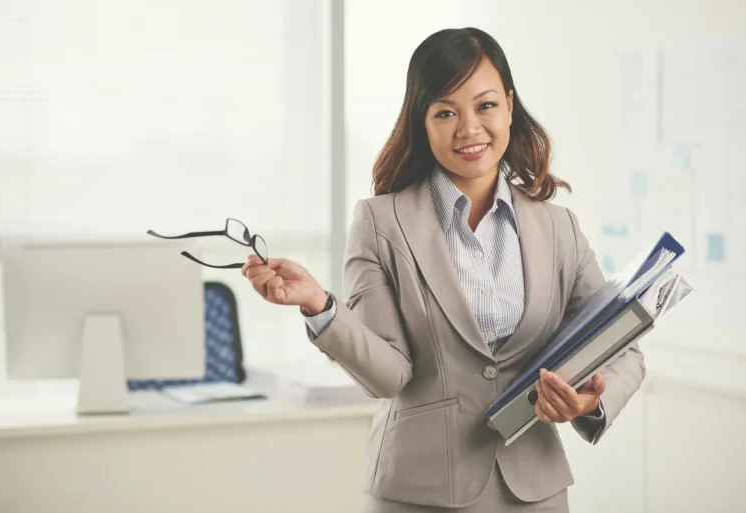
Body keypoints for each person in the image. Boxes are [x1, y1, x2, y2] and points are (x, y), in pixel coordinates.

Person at [241, 27, 645, 513]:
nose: (469, 128)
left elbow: (622, 345)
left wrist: (588, 402)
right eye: (446, 112)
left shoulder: (559, 228)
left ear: (509, 106)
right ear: (422, 121)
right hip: (418, 490)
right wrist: (318, 305)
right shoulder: (380, 223)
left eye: (486, 105)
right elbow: (388, 376)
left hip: (534, 491)